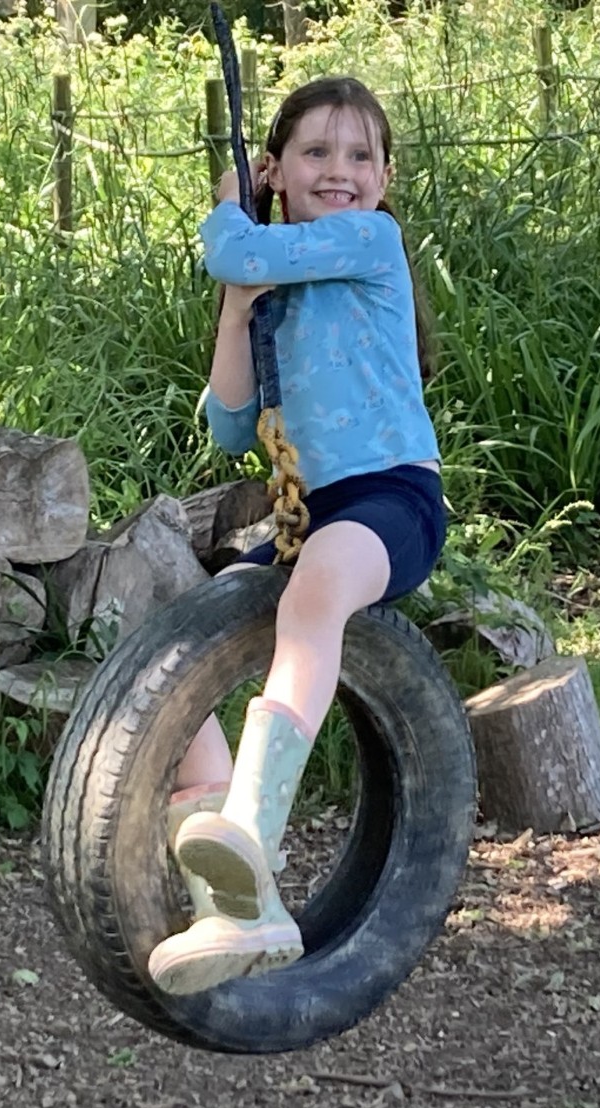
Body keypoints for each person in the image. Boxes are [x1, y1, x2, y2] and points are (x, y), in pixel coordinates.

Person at [147, 75, 447, 995]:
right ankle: (240, 912)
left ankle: (252, 824)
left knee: (318, 586)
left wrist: (229, 214)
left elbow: (231, 244)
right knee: (176, 655)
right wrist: (238, 306)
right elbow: (231, 424)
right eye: (317, 152)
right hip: (303, 514)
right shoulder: (271, 280)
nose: (341, 171)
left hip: (391, 499)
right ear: (279, 165)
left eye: (361, 155)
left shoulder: (370, 240)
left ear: (386, 175)